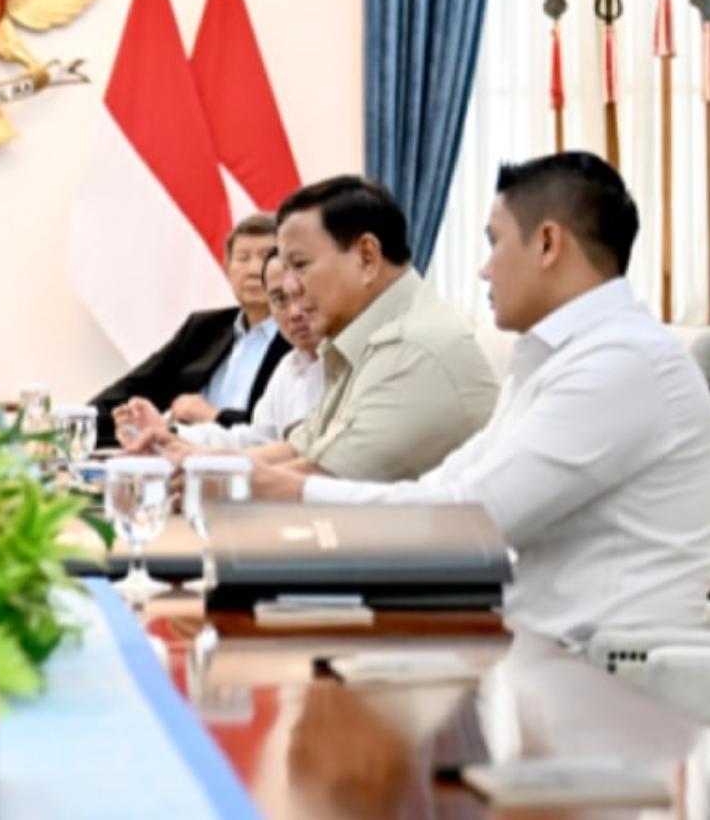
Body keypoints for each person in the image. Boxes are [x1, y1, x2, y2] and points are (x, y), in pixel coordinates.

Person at [250, 153, 710, 643]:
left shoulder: (621, 364)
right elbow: (447, 485)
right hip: (533, 643)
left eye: (495, 243)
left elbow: (472, 518)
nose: (484, 270)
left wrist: (295, 493)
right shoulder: (553, 359)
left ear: (548, 243)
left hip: (601, 670)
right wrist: (289, 492)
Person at [194, 176, 497, 483]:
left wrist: (196, 477)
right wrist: (190, 460)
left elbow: (322, 482)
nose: (290, 287)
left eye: (300, 265)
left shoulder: (412, 346)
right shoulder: (358, 340)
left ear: (367, 257)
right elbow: (302, 449)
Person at [89, 213, 291, 446]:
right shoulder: (204, 328)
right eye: (242, 258)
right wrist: (75, 421)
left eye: (266, 257)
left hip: (255, 459)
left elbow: (282, 431)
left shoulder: (299, 337)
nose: (254, 270)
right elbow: (134, 388)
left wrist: (213, 415)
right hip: (178, 453)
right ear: (226, 268)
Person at [134, 250, 325, 452]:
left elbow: (304, 456)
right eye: (280, 299)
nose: (294, 312)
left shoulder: (346, 360)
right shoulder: (290, 366)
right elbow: (255, 439)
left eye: (303, 294)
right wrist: (167, 432)